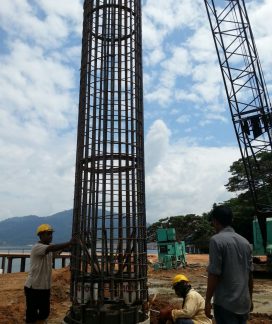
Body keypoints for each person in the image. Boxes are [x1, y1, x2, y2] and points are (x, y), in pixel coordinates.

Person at [205, 205, 253, 324]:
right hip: (243, 303)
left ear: (215, 221)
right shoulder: (245, 242)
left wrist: (207, 302)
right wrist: (250, 299)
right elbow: (250, 275)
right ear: (231, 220)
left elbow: (214, 274)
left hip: (225, 304)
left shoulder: (216, 240)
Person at [24, 224, 76, 324]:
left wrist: (71, 246)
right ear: (40, 235)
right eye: (48, 234)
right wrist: (69, 242)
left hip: (44, 287)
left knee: (45, 312)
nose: (50, 236)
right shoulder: (37, 247)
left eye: (51, 234)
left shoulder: (49, 248)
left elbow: (57, 250)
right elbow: (52, 248)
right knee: (31, 314)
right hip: (33, 287)